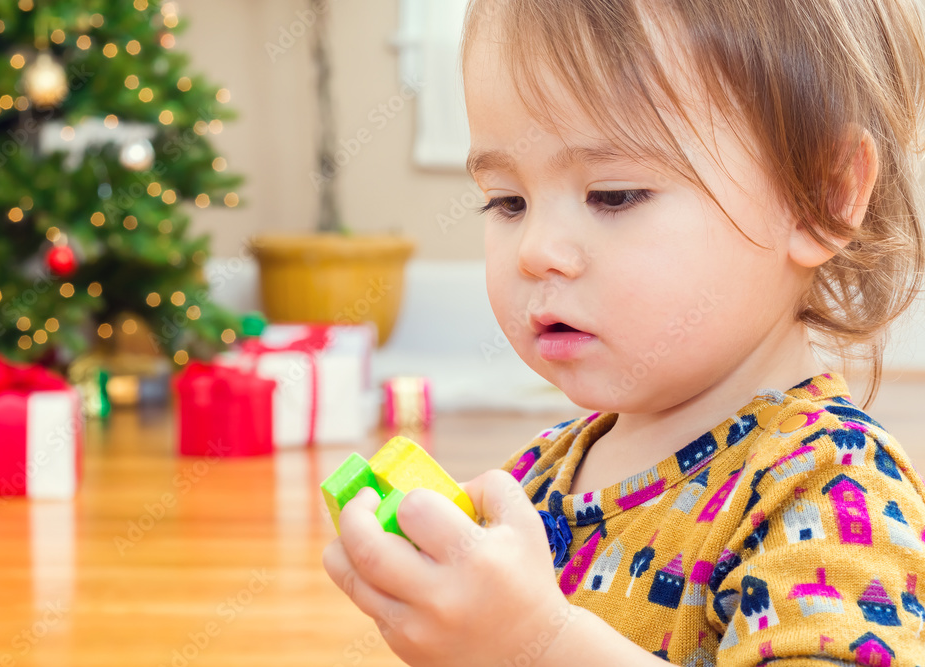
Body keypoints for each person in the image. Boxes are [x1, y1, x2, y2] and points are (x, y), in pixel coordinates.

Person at [322, 0, 925, 664]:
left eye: (613, 194)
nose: (537, 248)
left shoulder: (832, 491)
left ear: (823, 194)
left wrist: (538, 642)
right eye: (507, 201)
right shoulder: (540, 475)